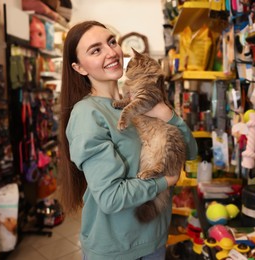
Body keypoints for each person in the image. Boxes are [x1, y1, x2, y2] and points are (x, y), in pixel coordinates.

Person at [58, 20, 198, 260]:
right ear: (79, 68)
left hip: (154, 237)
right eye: (96, 50)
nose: (111, 52)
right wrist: (165, 181)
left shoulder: (138, 101)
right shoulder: (88, 114)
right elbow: (111, 198)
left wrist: (167, 114)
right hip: (117, 249)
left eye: (111, 42)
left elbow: (191, 151)